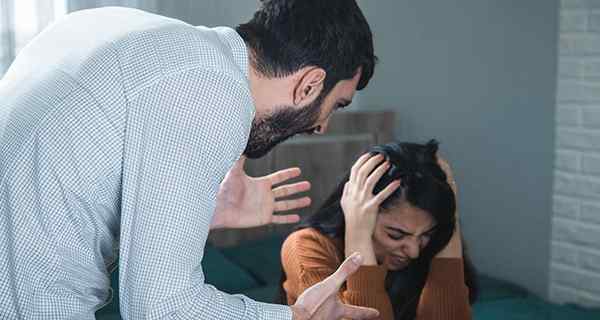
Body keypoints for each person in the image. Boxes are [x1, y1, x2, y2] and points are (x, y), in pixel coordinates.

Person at [0, 1, 379, 319]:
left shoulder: (126, 30)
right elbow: (161, 309)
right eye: (335, 105)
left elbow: (71, 182)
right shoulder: (213, 89)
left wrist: (203, 214)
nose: (322, 126)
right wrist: (295, 316)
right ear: (310, 84)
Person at [280, 140, 479, 320]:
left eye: (426, 234)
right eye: (396, 235)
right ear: (357, 212)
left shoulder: (430, 245)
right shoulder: (306, 247)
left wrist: (449, 217)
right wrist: (358, 238)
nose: (414, 251)